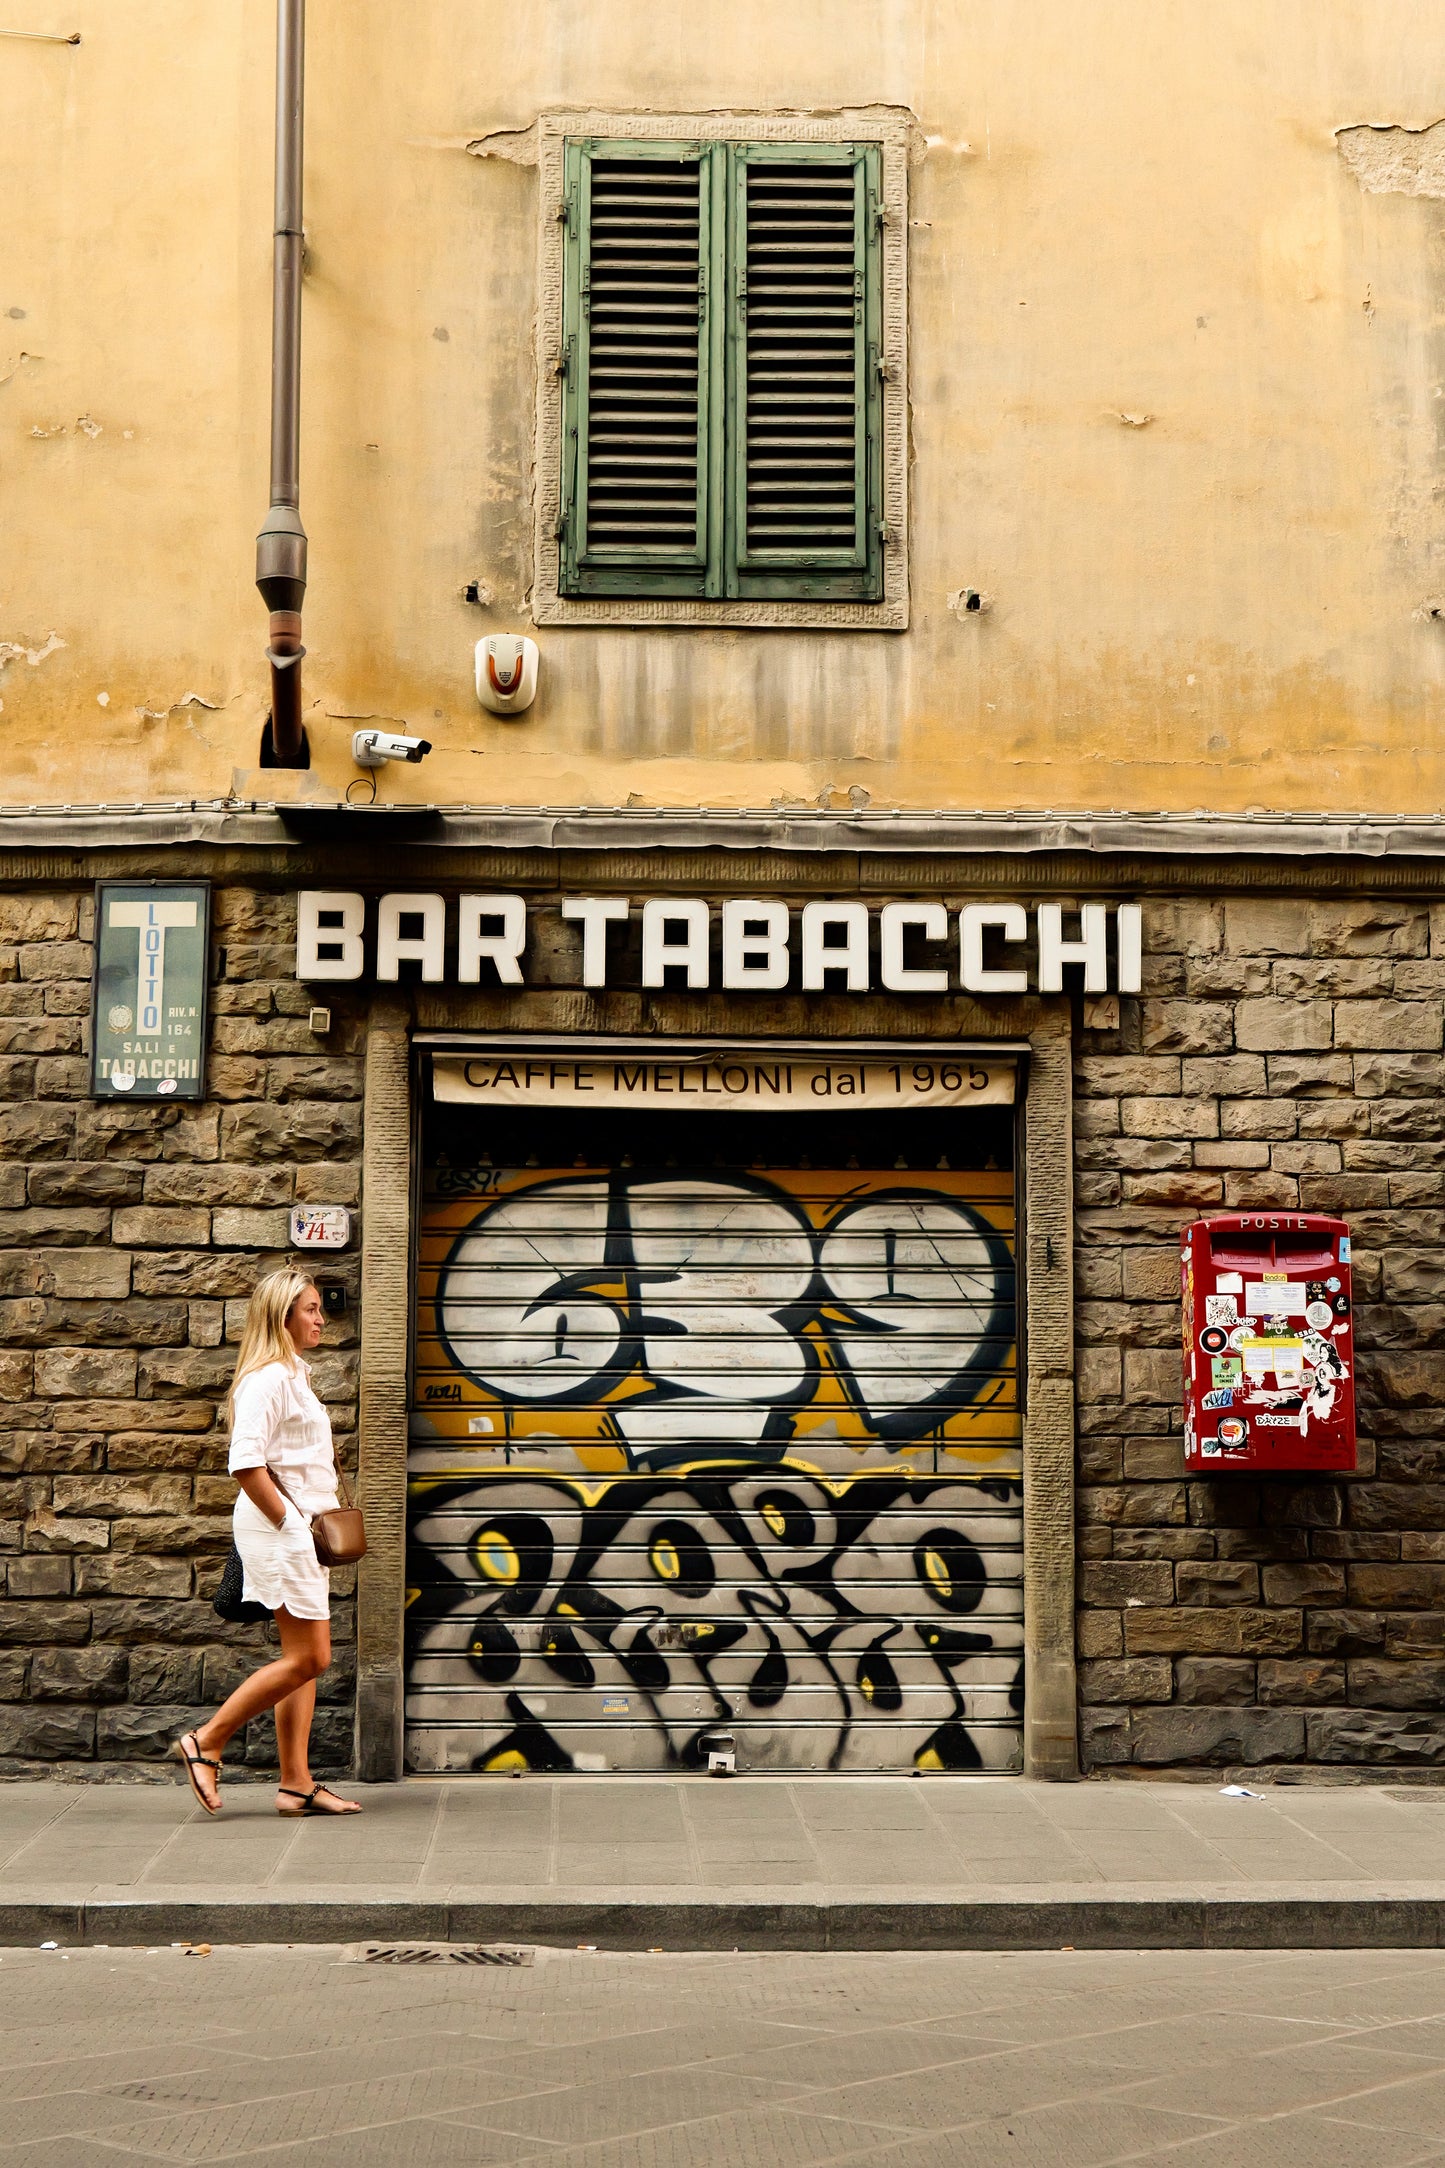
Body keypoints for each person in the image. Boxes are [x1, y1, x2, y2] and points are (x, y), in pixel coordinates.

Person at [175, 1266, 361, 1818]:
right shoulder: (268, 1379)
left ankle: (295, 1784)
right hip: (283, 1532)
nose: (321, 1318)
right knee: (312, 1656)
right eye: (310, 1309)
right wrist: (291, 1527)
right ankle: (206, 1742)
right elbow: (244, 1464)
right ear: (282, 1315)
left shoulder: (293, 1374)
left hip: (300, 1530)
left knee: (300, 1660)